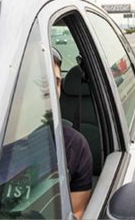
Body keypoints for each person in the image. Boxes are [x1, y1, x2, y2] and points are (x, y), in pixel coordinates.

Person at [52, 48, 93, 220]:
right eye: (39, 82)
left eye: (56, 82)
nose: (50, 90)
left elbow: (75, 213)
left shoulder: (73, 146)